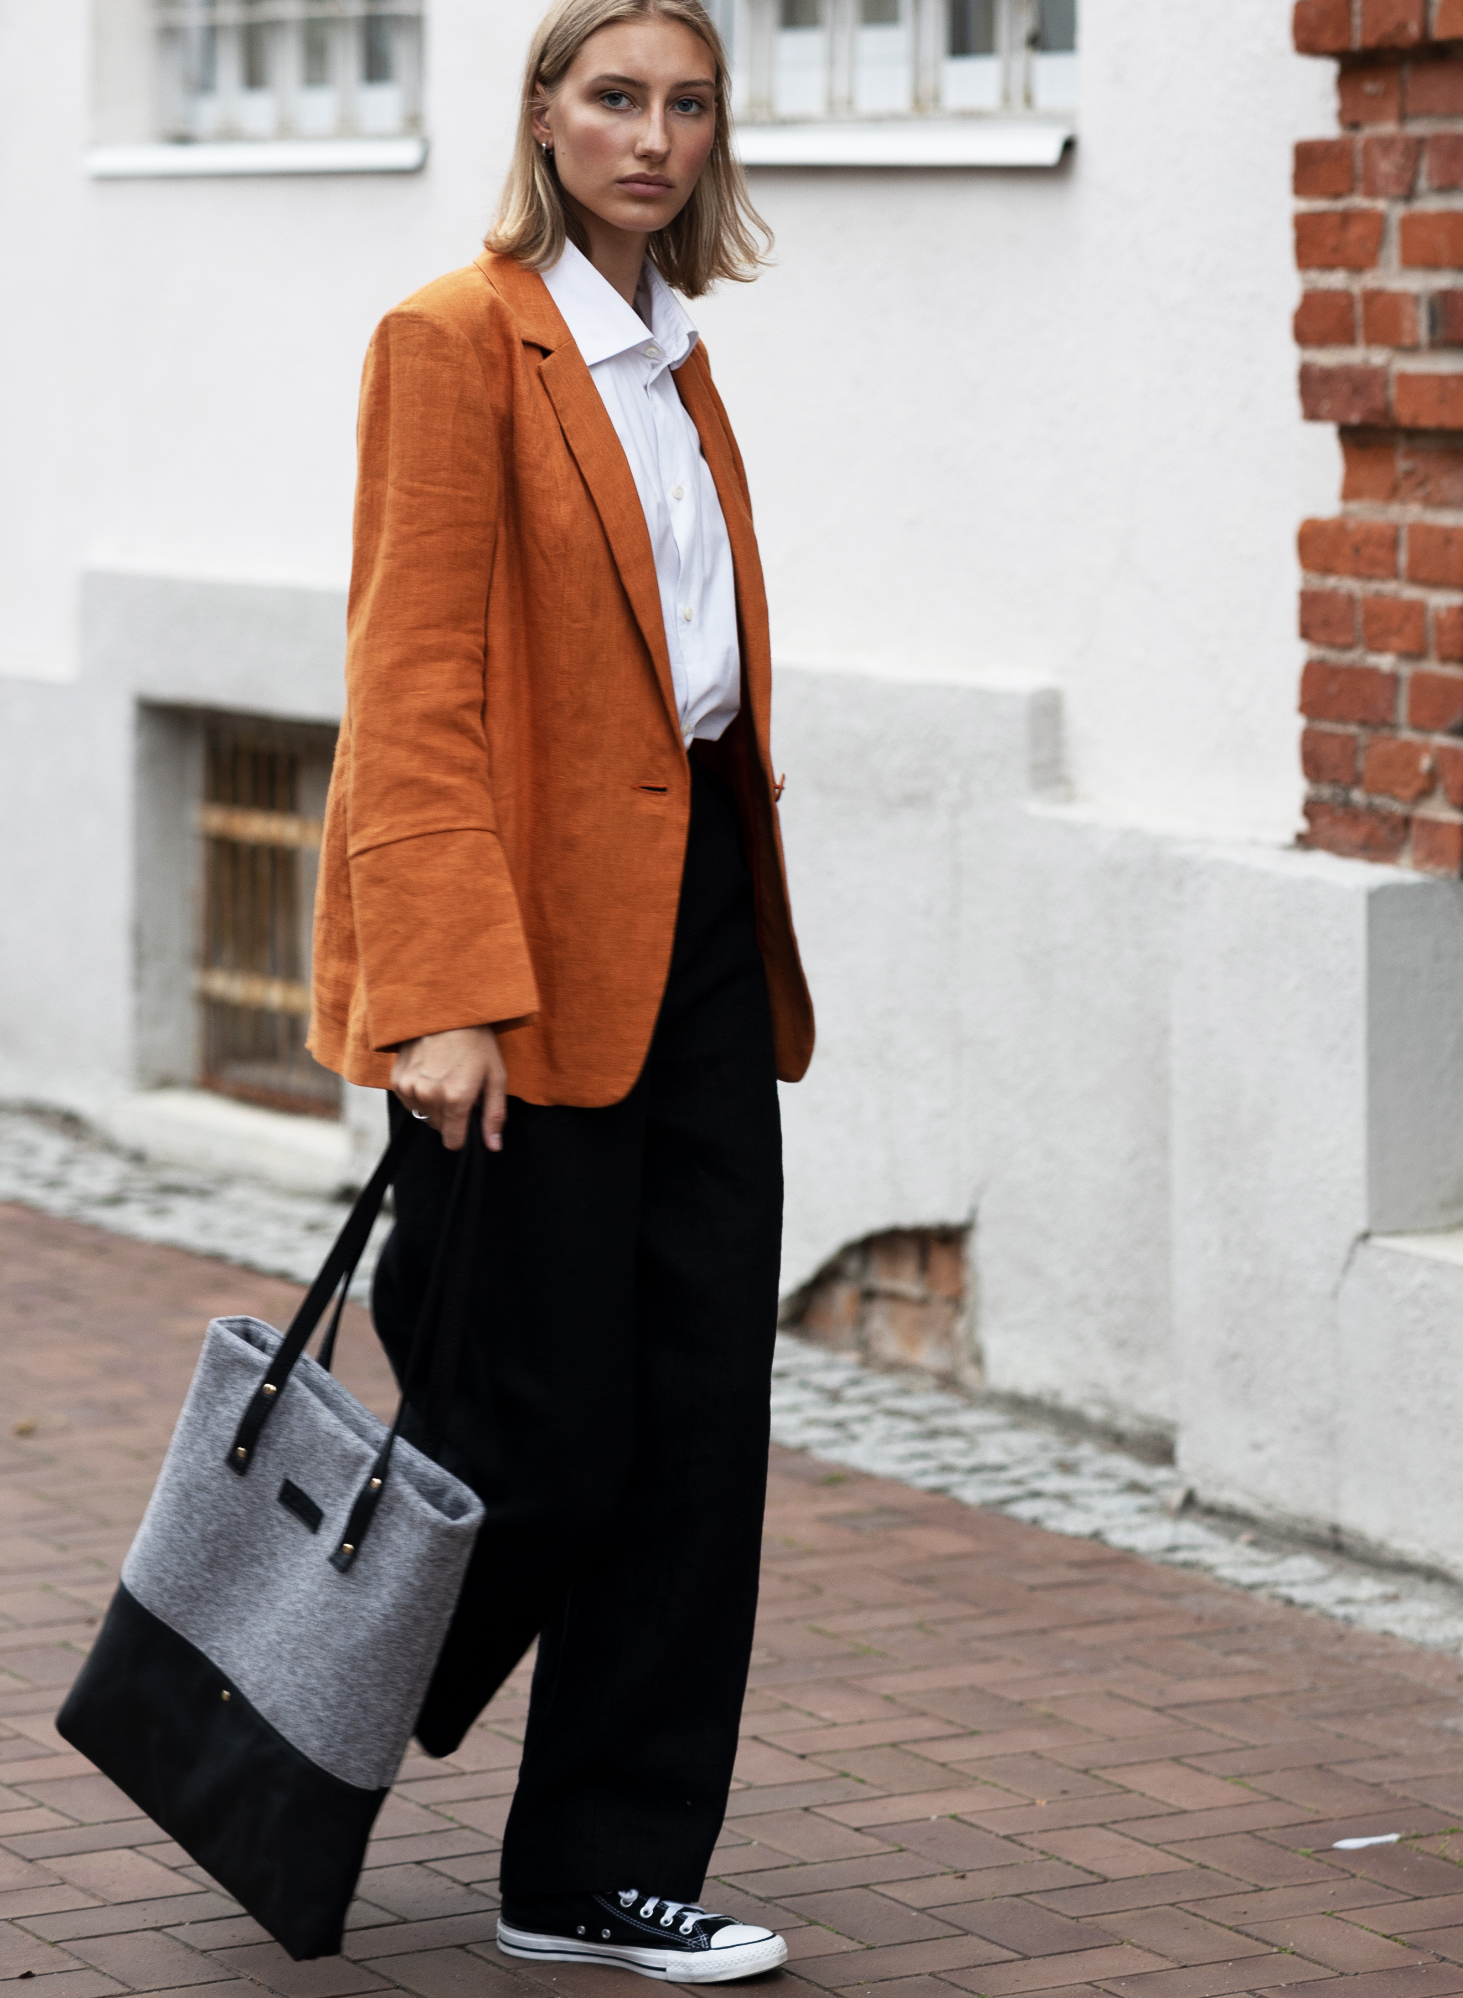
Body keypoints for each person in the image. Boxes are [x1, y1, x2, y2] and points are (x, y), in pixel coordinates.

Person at [308, 0, 813, 1980]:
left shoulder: (678, 358)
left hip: (693, 936)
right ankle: (268, 1704)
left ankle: (593, 1867)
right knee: (538, 1444)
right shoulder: (459, 342)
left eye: (688, 105)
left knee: (703, 1420)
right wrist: (440, 991)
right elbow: (410, 682)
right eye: (616, 97)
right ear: (541, 114)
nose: (655, 136)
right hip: (514, 966)